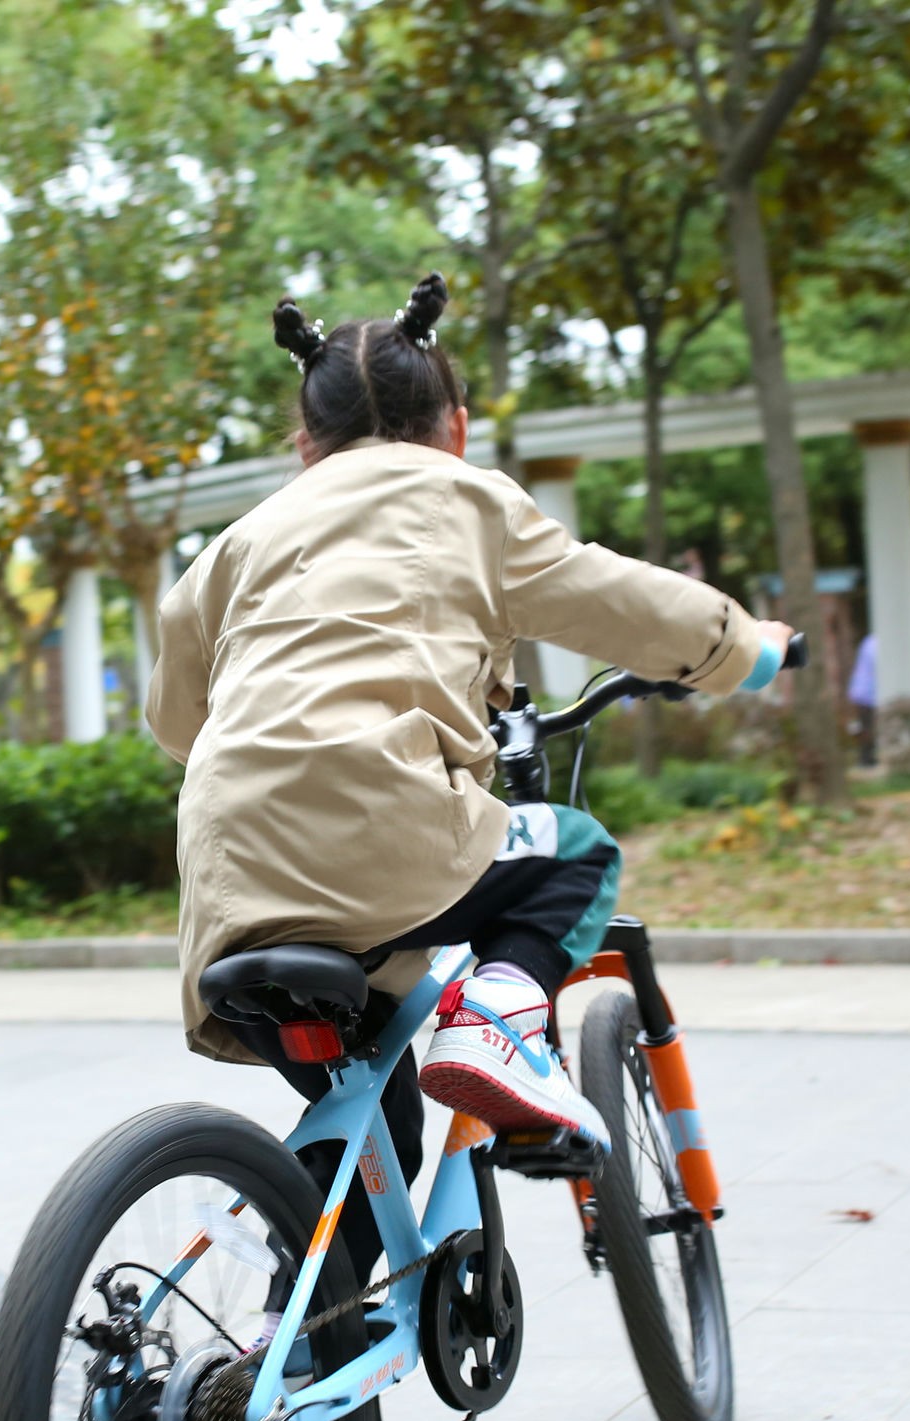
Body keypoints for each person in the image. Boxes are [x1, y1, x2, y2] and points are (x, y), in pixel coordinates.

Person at [147, 274, 793, 1160]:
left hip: (229, 878)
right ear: (455, 429)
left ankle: (298, 1257)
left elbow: (176, 724)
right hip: (383, 840)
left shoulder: (232, 547)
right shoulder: (467, 500)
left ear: (305, 448)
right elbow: (620, 599)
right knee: (575, 852)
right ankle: (498, 1021)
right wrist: (746, 648)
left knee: (374, 1151)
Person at [848, 630, 879, 767]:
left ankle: (867, 758)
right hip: (866, 694)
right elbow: (877, 664)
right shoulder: (874, 644)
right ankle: (866, 759)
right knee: (867, 727)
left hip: (863, 692)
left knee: (865, 726)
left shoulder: (869, 641)